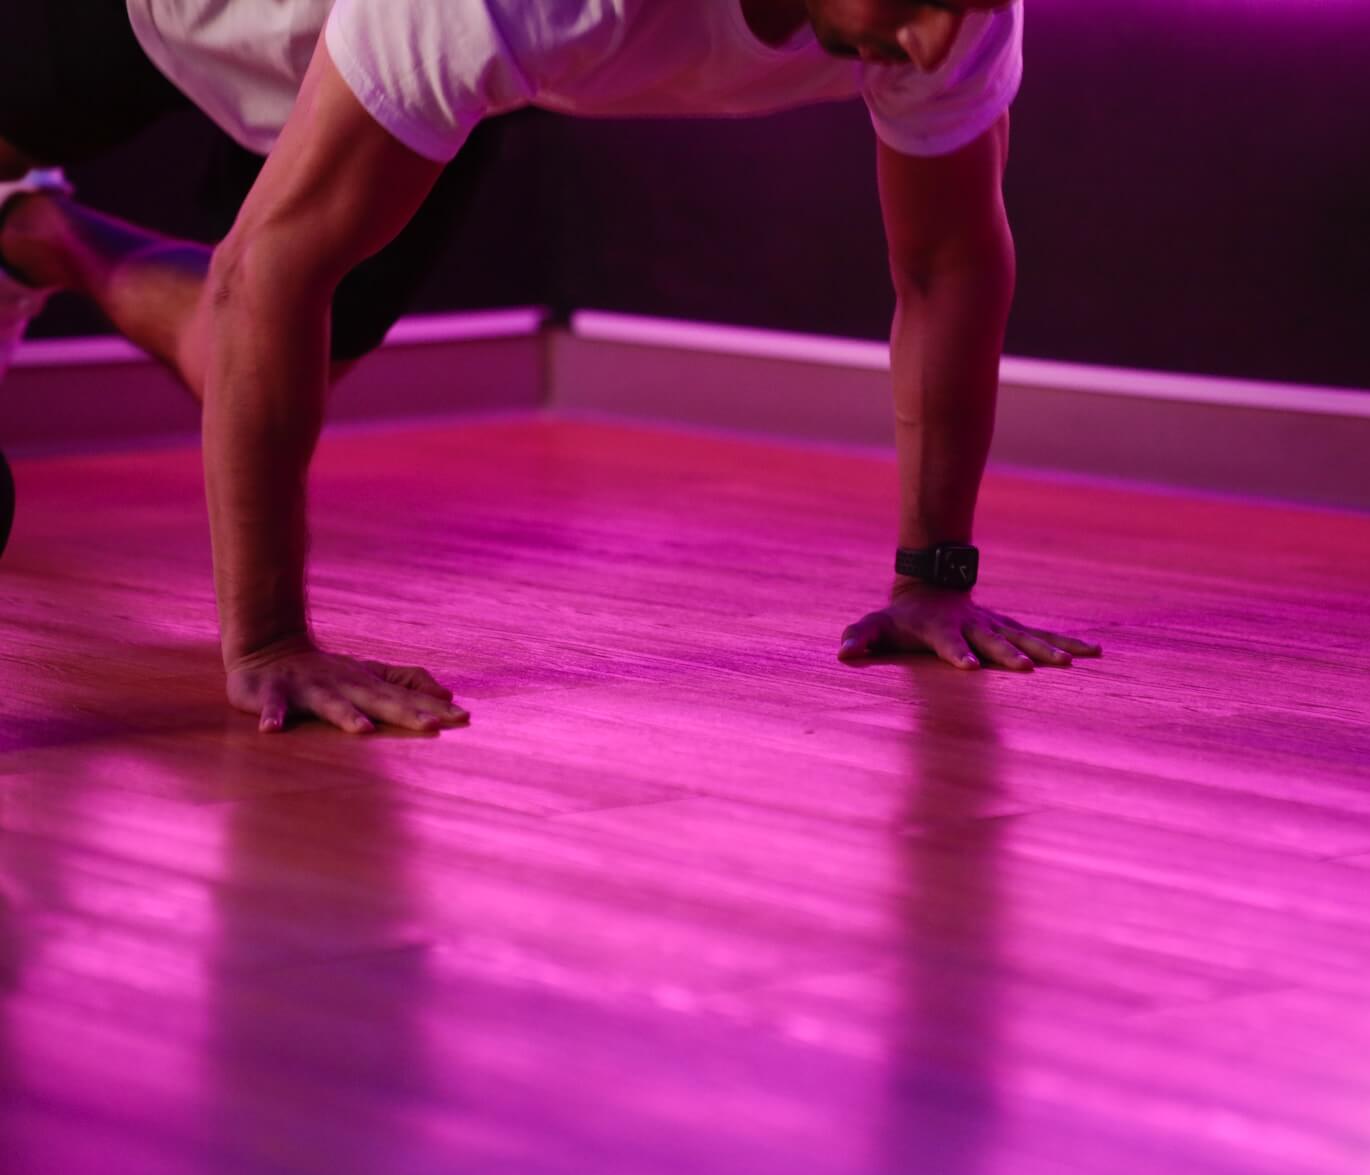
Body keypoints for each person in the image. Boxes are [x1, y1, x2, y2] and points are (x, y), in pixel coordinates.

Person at [0, 0, 1100, 734]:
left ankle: (37, 233)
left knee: (281, 350)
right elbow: (259, 275)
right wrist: (272, 640)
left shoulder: (955, 17)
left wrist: (932, 578)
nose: (927, 41)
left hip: (423, 46)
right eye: (908, 4)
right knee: (252, 297)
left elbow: (949, 264)